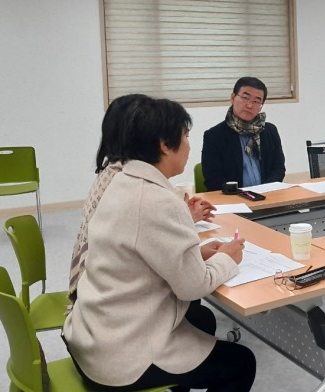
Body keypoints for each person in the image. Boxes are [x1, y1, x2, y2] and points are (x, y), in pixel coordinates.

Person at [63, 96, 255, 392]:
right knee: (241, 365)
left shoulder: (120, 180)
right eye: (185, 136)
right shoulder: (156, 199)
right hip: (117, 356)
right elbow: (193, 286)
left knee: (200, 320)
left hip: (93, 334)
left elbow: (142, 253)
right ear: (165, 145)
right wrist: (228, 257)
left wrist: (197, 252)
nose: (189, 145)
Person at [67, 94, 215, 314]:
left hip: (97, 294)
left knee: (198, 313)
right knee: (198, 313)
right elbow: (193, 283)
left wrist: (184, 219)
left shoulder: (117, 174)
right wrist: (225, 257)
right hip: (115, 306)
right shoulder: (135, 185)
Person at [202, 76, 286, 190]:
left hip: (267, 195)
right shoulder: (214, 136)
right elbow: (213, 179)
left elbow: (279, 168)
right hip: (233, 197)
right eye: (245, 98)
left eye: (256, 101)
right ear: (233, 98)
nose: (250, 105)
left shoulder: (270, 131)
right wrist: (242, 195)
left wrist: (265, 191)